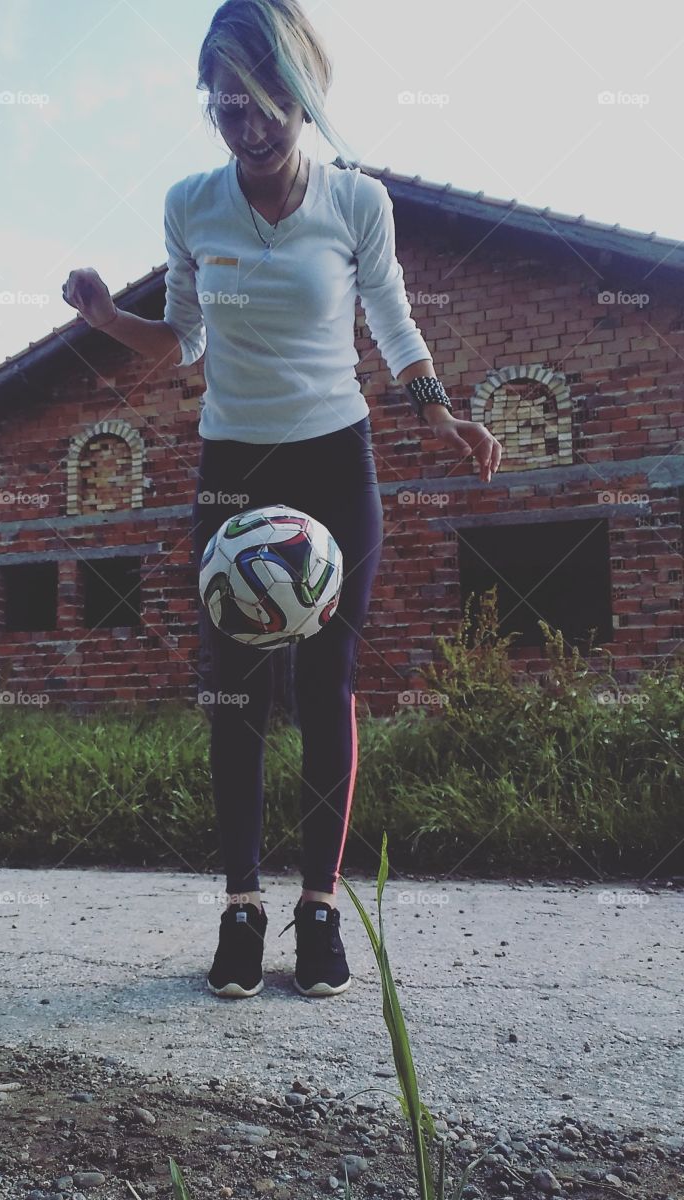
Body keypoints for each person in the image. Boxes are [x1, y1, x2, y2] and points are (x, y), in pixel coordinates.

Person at [62, 0, 502, 1000]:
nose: (248, 125)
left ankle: (318, 911)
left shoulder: (359, 204)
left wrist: (443, 418)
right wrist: (105, 318)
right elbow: (184, 340)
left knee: (323, 684)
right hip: (235, 469)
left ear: (302, 98)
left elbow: (390, 320)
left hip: (333, 463)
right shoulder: (191, 204)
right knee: (236, 693)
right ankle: (241, 909)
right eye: (227, 106)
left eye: (266, 104)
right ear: (209, 102)